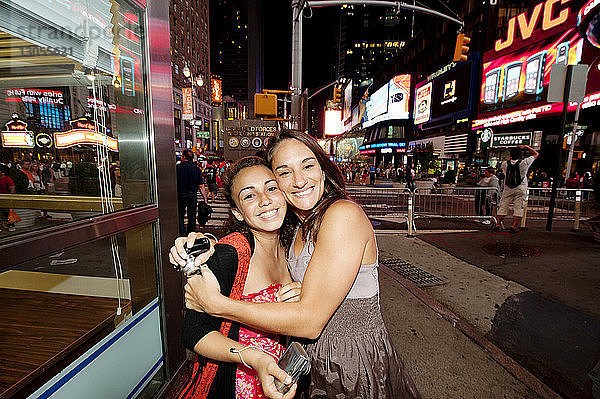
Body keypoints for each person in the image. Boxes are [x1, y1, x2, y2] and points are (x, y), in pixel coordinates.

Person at [174, 130, 421, 398]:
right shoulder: (294, 229)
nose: (299, 180)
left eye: (307, 165)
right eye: (284, 172)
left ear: (323, 171)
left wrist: (217, 305)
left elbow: (311, 320)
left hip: (349, 364)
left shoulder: (342, 215)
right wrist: (203, 243)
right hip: (304, 364)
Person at [174, 157, 299, 399]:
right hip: (237, 385)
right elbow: (192, 332)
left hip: (278, 380)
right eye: (249, 196)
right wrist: (251, 356)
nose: (265, 200)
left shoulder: (291, 245)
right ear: (238, 213)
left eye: (271, 188)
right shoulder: (233, 252)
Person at [495, 145, 539, 233]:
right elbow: (536, 154)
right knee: (519, 207)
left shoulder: (504, 164)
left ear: (510, 155)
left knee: (503, 205)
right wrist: (526, 147)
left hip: (508, 188)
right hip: (521, 187)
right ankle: (513, 226)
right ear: (520, 155)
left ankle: (498, 224)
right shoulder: (524, 162)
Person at [177, 149, 208, 237]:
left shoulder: (178, 168)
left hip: (181, 194)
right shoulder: (196, 169)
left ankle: (181, 232)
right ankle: (190, 232)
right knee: (192, 215)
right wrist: (205, 199)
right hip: (192, 195)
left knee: (180, 214)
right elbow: (201, 185)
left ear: (183, 157)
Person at [0, 164, 16, 232]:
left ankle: (11, 225)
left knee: (7, 213)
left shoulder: (7, 179)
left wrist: (10, 198)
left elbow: (12, 189)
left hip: (6, 198)